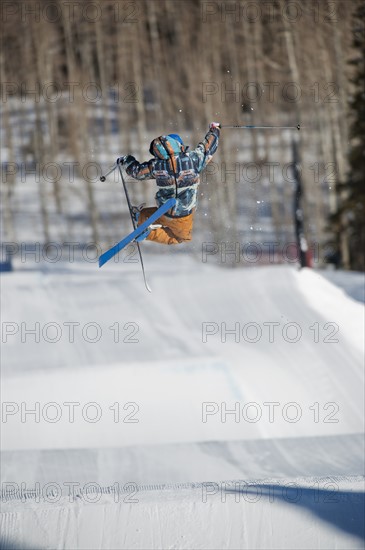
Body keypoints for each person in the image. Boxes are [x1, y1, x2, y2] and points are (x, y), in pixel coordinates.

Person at [117, 122, 220, 245]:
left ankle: (140, 217)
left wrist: (127, 160)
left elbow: (137, 172)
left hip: (164, 212)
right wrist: (214, 130)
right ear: (180, 146)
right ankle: (149, 233)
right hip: (183, 216)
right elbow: (208, 147)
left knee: (158, 216)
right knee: (180, 238)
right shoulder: (194, 160)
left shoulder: (156, 165)